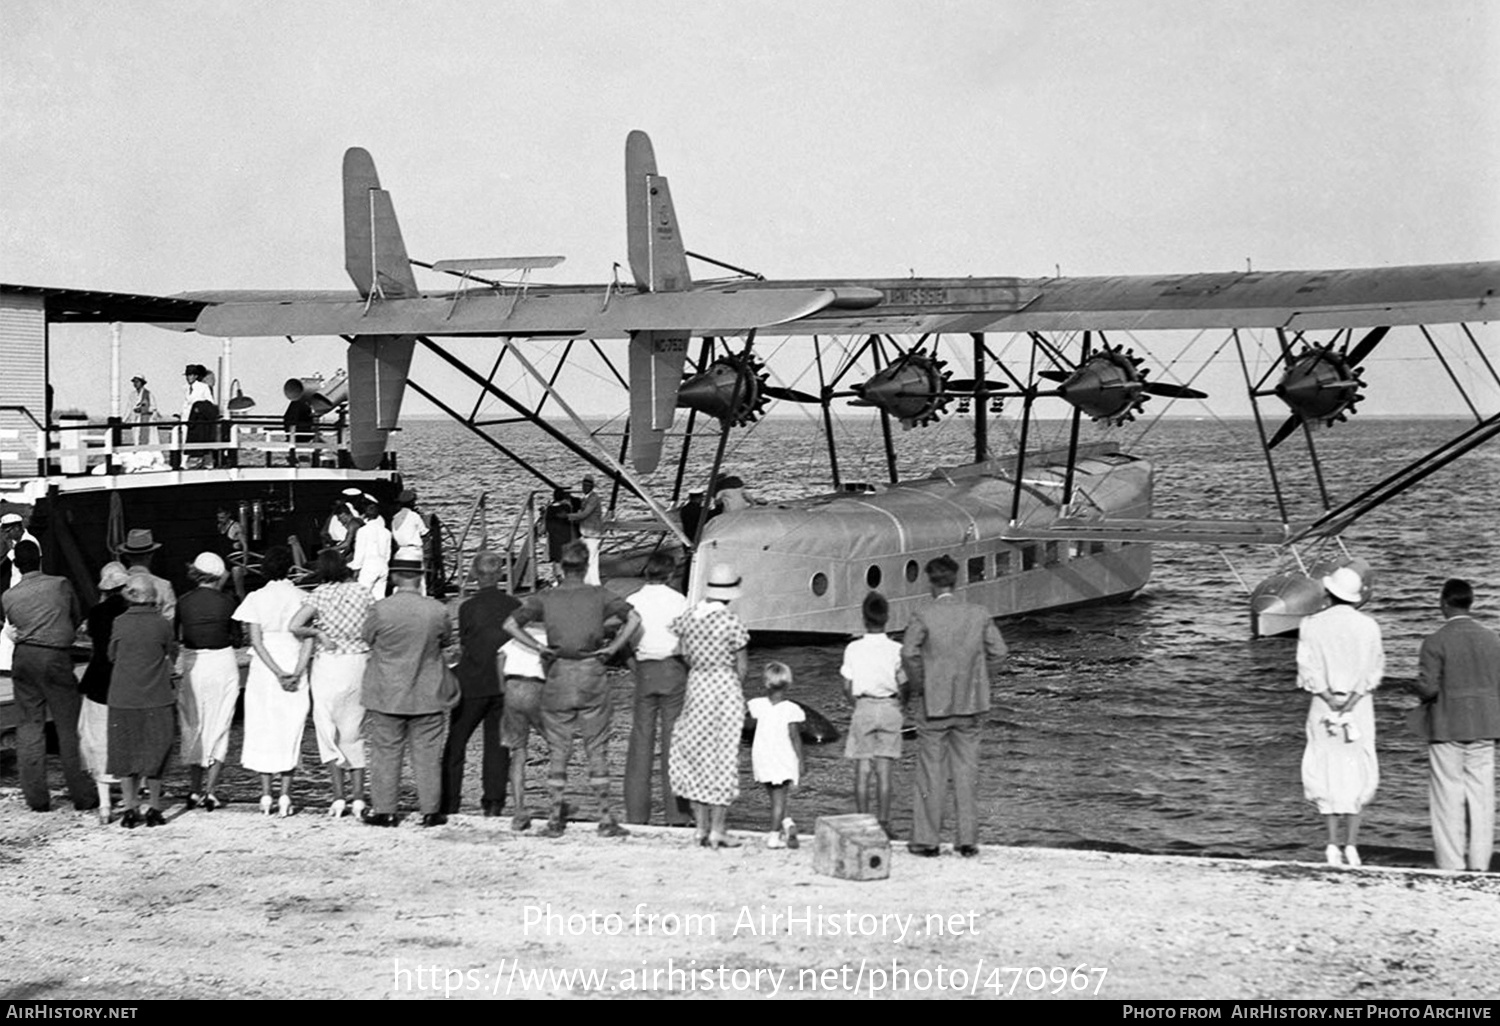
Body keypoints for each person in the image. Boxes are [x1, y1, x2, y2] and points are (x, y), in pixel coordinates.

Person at [503, 540, 639, 838]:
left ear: (562, 567)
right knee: (596, 746)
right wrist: (613, 647)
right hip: (591, 670)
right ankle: (605, 818)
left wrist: (539, 647)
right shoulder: (599, 595)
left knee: (558, 747)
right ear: (587, 565)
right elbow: (634, 618)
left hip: (559, 671)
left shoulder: (546, 597)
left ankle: (554, 819)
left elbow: (511, 625)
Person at [900, 554, 1008, 858]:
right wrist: (980, 680)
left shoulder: (923, 614)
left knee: (930, 773)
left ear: (930, 582)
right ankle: (967, 841)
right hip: (970, 704)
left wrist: (922, 684)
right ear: (956, 579)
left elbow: (909, 654)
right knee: (966, 773)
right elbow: (999, 652)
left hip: (934, 705)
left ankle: (927, 841)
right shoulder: (978, 613)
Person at [1296, 566, 1383, 868]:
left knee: (1326, 769)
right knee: (1357, 769)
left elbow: (1307, 669)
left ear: (1330, 593)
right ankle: (1352, 845)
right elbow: (1374, 670)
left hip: (1324, 704)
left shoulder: (1310, 624)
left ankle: (1332, 844)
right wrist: (1351, 700)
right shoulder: (1369, 626)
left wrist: (1330, 697)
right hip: (1358, 707)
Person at [362, 557, 457, 828]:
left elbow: (367, 637)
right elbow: (446, 640)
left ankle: (385, 810)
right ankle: (430, 810)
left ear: (393, 578)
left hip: (387, 692)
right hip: (427, 691)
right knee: (427, 755)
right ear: (420, 577)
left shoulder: (380, 609)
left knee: (385, 753)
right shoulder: (436, 610)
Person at [1412, 578, 1500, 872]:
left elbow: (1428, 689)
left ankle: (1450, 865)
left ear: (1444, 603)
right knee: (1482, 798)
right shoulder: (1491, 638)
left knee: (1447, 798)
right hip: (1485, 726)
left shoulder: (1435, 641)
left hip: (1446, 726)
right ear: (1470, 602)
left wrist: (1413, 690)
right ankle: (1479, 865)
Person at [3, 540, 93, 813]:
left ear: (16, 565)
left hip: (23, 658)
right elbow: (75, 617)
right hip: (54, 656)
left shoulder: (8, 596)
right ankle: (83, 795)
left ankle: (37, 799)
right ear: (40, 559)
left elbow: (14, 626)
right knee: (68, 727)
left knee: (29, 726)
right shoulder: (60, 584)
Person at [668, 562, 751, 849]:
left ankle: (700, 827)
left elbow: (680, 652)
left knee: (693, 754)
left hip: (698, 686)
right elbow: (742, 667)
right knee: (723, 757)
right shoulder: (731, 622)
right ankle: (718, 828)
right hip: (724, 687)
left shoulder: (690, 617)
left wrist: (699, 668)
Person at [289, 549, 373, 819]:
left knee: (327, 729)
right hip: (358, 663)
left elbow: (295, 625)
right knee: (354, 732)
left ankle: (338, 798)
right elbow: (375, 625)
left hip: (329, 664)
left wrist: (318, 632)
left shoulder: (320, 594)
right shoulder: (363, 592)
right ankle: (359, 798)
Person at [234, 545, 313, 818]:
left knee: (262, 728)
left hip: (265, 669)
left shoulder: (256, 598)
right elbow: (307, 641)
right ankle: (285, 795)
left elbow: (255, 641)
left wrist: (276, 671)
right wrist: (296, 671)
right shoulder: (303, 596)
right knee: (290, 729)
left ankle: (266, 794)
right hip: (294, 661)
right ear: (290, 567)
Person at [441, 551, 516, 816]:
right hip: (503, 680)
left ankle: (450, 801)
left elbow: (464, 644)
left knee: (456, 742)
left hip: (472, 680)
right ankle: (493, 802)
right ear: (499, 575)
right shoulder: (514, 604)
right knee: (497, 744)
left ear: (476, 575)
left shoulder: (467, 607)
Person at [624, 551, 691, 826]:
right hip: (673, 668)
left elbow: (624, 638)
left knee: (640, 743)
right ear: (671, 573)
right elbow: (688, 642)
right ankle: (677, 814)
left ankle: (637, 815)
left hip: (644, 670)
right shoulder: (680, 601)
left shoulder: (632, 601)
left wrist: (634, 665)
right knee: (674, 744)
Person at [107, 576, 178, 828]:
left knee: (125, 755)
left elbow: (112, 655)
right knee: (156, 753)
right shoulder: (162, 624)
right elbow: (172, 652)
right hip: (157, 696)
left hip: (123, 696)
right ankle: (155, 808)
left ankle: (129, 808)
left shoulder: (119, 622)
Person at [176, 552, 241, 811]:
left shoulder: (184, 601)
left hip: (194, 661)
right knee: (220, 722)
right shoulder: (228, 602)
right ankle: (211, 791)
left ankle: (193, 790)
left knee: (193, 723)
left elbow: (177, 635)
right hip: (222, 661)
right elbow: (236, 638)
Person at [842, 590, 906, 835]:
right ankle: (885, 824)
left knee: (862, 771)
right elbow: (904, 682)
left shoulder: (853, 649)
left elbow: (846, 685)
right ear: (887, 617)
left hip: (864, 706)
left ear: (863, 618)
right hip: (890, 706)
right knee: (885, 771)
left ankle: (862, 824)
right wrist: (902, 705)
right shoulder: (896, 649)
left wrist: (855, 704)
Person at [79, 562, 129, 823]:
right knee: (129, 738)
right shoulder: (131, 611)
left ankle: (105, 805)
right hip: (127, 682)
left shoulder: (97, 613)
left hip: (98, 681)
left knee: (98, 740)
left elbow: (88, 632)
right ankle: (132, 797)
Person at [747, 661, 805, 849]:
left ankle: (788, 824)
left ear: (766, 683)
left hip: (763, 756)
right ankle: (774, 836)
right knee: (780, 798)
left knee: (773, 796)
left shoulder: (756, 705)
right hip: (783, 757)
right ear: (788, 684)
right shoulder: (791, 709)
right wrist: (801, 761)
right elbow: (795, 737)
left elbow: (747, 720)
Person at [498, 621, 549, 832]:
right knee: (557, 744)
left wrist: (503, 688)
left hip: (512, 686)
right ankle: (557, 804)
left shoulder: (516, 637)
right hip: (535, 686)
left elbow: (500, 657)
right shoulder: (548, 637)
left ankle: (519, 810)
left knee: (518, 751)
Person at [115, 528, 176, 622]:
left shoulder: (116, 584)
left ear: (126, 555)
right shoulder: (164, 585)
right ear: (151, 555)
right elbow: (170, 619)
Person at [566, 475, 604, 585]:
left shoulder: (593, 499)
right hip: (586, 534)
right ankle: (591, 582)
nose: (584, 487)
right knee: (589, 560)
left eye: (587, 485)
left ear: (592, 487)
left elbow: (584, 514)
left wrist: (567, 516)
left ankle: (594, 583)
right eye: (583, 485)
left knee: (591, 560)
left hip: (592, 534)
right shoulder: (586, 499)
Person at [350, 498, 391, 599]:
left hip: (368, 566)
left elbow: (360, 552)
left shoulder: (363, 531)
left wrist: (356, 569)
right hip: (383, 565)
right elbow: (387, 554)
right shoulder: (386, 532)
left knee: (361, 597)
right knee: (379, 597)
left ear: (365, 516)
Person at [180, 364, 219, 468]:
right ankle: (183, 463)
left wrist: (199, 408)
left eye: (191, 375)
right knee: (184, 440)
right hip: (186, 418)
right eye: (187, 376)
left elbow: (210, 403)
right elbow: (186, 403)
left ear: (196, 376)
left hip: (198, 419)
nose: (188, 378)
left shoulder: (203, 387)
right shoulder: (185, 388)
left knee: (201, 440)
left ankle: (207, 463)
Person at [541, 486, 579, 581]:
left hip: (553, 538)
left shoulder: (549, 509)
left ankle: (557, 578)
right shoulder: (567, 507)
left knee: (556, 559)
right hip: (566, 537)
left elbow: (544, 526)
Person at [281, 380, 316, 468]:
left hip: (293, 435)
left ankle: (295, 459)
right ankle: (311, 460)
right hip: (303, 436)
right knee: (321, 444)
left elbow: (287, 418)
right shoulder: (303, 405)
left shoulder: (295, 404)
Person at [130, 375, 156, 446]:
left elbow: (153, 408)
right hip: (135, 420)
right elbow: (129, 408)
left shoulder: (149, 394)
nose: (135, 384)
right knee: (136, 438)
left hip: (145, 420)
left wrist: (143, 409)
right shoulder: (132, 395)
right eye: (134, 382)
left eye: (137, 382)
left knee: (148, 440)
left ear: (142, 383)